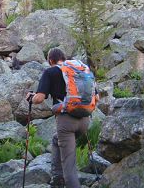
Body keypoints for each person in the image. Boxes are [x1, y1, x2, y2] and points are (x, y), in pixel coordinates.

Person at [27, 48, 96, 188]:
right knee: (55, 139)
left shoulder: (50, 72)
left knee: (69, 166)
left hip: (66, 122)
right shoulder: (81, 71)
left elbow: (39, 98)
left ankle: (64, 180)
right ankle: (57, 179)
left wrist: (31, 98)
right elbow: (97, 97)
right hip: (84, 120)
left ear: (50, 60)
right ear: (64, 58)